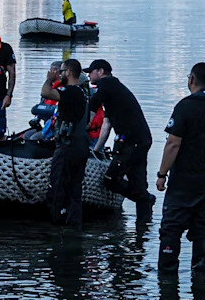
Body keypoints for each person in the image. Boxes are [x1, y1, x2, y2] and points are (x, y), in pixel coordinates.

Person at [156, 61, 205, 274]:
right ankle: (200, 269)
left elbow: (173, 143)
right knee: (201, 227)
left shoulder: (184, 106)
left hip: (184, 179)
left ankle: (167, 273)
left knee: (171, 227)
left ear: (191, 80)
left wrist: (162, 174)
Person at [87, 58, 155, 223]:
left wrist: (82, 124)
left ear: (101, 72)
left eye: (91, 71)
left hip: (132, 143)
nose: (89, 75)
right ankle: (143, 228)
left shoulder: (107, 84)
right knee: (138, 183)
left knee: (110, 180)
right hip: (141, 140)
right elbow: (107, 123)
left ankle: (145, 199)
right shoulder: (114, 90)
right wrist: (96, 150)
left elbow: (92, 105)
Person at [47, 58, 91, 226]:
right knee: (75, 189)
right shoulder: (83, 93)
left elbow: (47, 93)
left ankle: (57, 223)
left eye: (62, 71)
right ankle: (74, 224)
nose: (61, 74)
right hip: (81, 145)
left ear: (69, 73)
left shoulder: (70, 91)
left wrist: (50, 80)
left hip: (68, 146)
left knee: (58, 187)